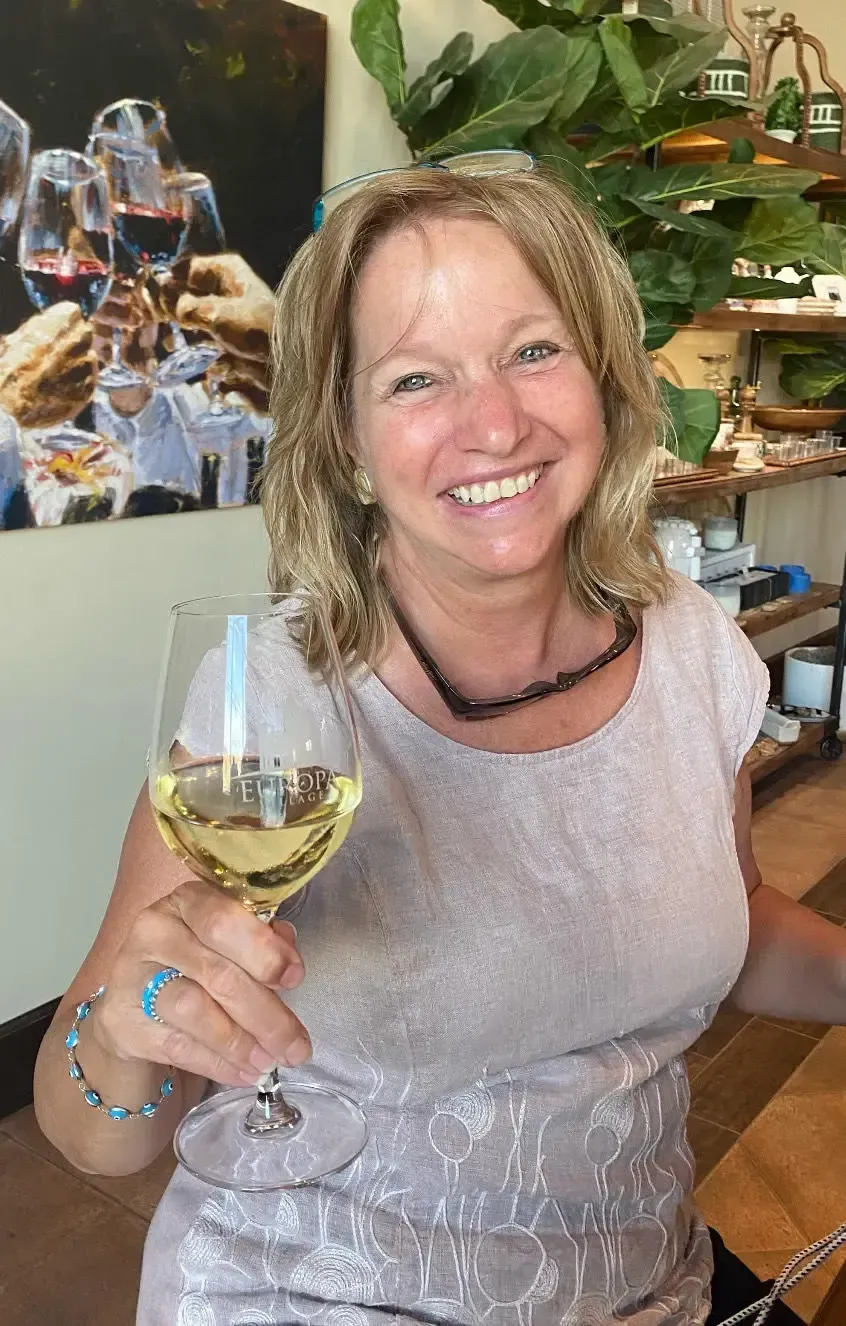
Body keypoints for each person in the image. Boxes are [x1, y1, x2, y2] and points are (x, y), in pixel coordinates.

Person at [33, 162, 846, 1326]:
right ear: (351, 443)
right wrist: (126, 1031)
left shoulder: (694, 644)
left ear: (607, 382)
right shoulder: (277, 699)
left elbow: (726, 916)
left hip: (645, 1283)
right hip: (318, 1296)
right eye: (418, 377)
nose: (496, 423)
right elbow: (93, 1140)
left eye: (533, 351)